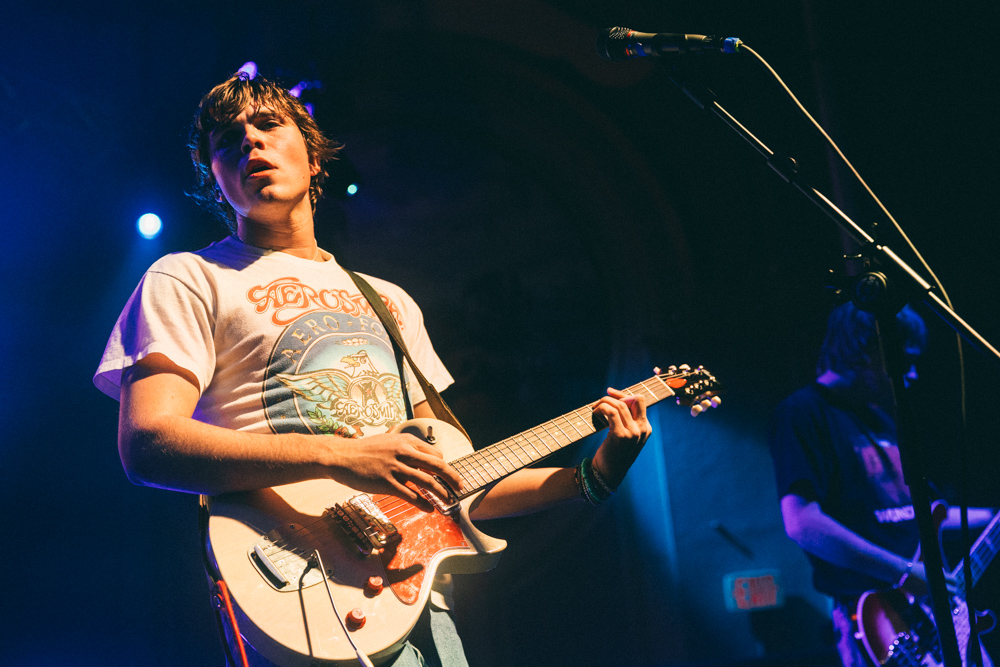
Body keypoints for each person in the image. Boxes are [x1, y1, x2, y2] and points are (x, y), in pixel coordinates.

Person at [94, 71, 717, 666]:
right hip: (290, 589)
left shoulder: (388, 301)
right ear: (214, 176)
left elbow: (453, 485)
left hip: (410, 602)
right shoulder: (187, 278)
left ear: (315, 160)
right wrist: (343, 457)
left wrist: (598, 471)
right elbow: (148, 444)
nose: (250, 142)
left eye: (267, 126)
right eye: (228, 140)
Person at [769, 301, 993, 667]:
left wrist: (993, 517)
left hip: (932, 606)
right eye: (905, 361)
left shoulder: (881, 418)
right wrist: (903, 573)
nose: (914, 375)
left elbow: (928, 514)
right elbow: (801, 523)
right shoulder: (803, 413)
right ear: (866, 349)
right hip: (875, 619)